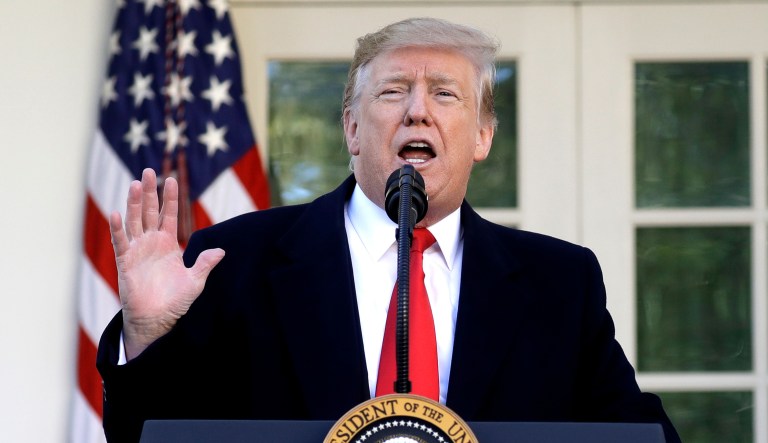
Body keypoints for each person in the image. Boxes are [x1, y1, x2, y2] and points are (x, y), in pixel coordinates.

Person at [97, 17, 681, 443]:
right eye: (394, 91)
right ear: (352, 129)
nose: (418, 111)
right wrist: (146, 335)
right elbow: (152, 437)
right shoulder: (235, 261)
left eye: (445, 94)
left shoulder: (560, 282)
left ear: (483, 137)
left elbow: (633, 436)